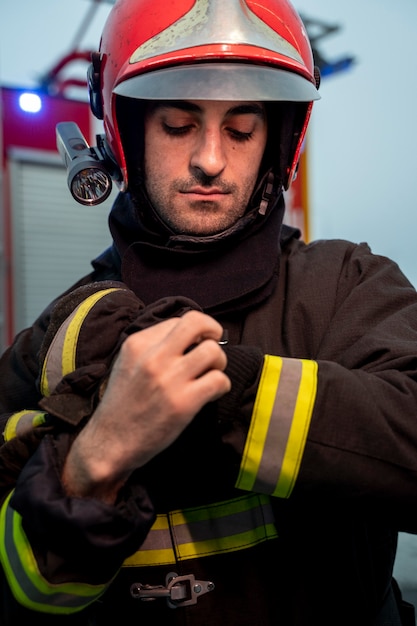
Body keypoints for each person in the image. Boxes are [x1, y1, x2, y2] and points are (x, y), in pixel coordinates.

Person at [0, 0, 417, 624]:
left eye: (242, 130)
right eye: (177, 125)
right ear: (123, 131)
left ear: (278, 142)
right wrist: (93, 462)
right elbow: (25, 593)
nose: (211, 161)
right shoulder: (60, 340)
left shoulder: (347, 287)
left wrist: (209, 389)